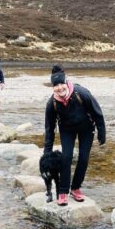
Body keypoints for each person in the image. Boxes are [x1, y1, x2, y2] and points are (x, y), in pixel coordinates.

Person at [44, 65, 106, 206]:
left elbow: (97, 112)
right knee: (66, 157)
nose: (59, 88)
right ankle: (63, 191)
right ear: (52, 87)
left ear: (66, 82)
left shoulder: (81, 93)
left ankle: (76, 187)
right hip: (67, 130)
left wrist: (102, 133)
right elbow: (49, 128)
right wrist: (47, 152)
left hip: (86, 128)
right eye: (56, 85)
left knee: (83, 158)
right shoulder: (52, 103)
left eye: (61, 84)